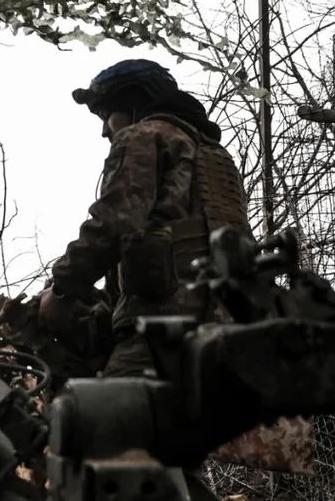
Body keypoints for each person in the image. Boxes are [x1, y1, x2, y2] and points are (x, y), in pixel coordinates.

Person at [38, 59, 251, 501]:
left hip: (163, 330)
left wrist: (62, 286)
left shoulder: (145, 135)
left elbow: (115, 221)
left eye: (105, 116)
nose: (103, 131)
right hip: (224, 335)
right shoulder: (216, 159)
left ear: (131, 105)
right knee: (168, 465)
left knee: (107, 440)